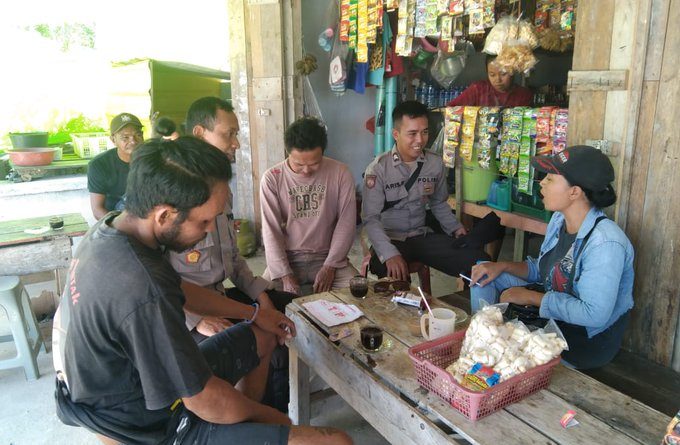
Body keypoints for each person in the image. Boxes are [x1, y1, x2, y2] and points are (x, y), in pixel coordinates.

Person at [53, 137, 352, 445]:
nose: (211, 229)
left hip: (128, 384)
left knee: (262, 335)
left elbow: (178, 287)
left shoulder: (116, 229)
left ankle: (247, 430)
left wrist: (254, 313)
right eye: (204, 221)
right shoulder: (142, 288)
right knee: (336, 441)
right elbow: (203, 400)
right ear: (164, 215)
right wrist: (271, 418)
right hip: (143, 422)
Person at [169, 98, 294, 411]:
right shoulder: (173, 194)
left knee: (292, 313)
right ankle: (255, 416)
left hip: (220, 295)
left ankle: (272, 413)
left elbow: (234, 260)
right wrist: (197, 319)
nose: (236, 143)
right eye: (229, 134)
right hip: (183, 314)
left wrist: (262, 299)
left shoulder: (221, 189)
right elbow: (155, 279)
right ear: (200, 133)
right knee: (258, 340)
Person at [469, 146, 634, 369]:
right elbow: (544, 271)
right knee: (484, 272)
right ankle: (481, 340)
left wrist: (531, 297)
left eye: (550, 179)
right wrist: (502, 266)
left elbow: (593, 314)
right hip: (554, 316)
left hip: (583, 340)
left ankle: (490, 348)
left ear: (574, 192)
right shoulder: (559, 220)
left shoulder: (605, 243)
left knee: (510, 362)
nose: (542, 183)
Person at [362, 100, 498, 282]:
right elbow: (371, 218)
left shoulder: (434, 163)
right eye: (412, 133)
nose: (420, 140)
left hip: (422, 235)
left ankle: (474, 300)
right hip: (391, 237)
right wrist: (389, 254)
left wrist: (456, 228)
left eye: (424, 132)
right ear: (396, 134)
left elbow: (438, 203)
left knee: (478, 262)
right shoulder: (378, 169)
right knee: (389, 270)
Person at [260, 117, 358, 296]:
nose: (306, 171)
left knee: (359, 294)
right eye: (298, 164)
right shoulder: (272, 178)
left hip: (326, 257)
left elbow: (346, 223)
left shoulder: (340, 173)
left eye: (314, 164)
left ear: (323, 152)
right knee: (263, 298)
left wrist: (330, 266)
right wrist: (285, 275)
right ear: (287, 152)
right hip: (289, 259)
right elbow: (271, 230)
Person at [87, 112, 143, 219]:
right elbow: (97, 209)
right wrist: (119, 226)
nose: (133, 141)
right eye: (125, 137)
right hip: (114, 221)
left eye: (138, 135)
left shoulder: (151, 161)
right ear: (113, 140)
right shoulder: (99, 165)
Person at [446, 55, 533, 108]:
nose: (498, 80)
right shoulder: (477, 89)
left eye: (503, 74)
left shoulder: (523, 95)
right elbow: (451, 109)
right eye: (492, 75)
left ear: (512, 72)